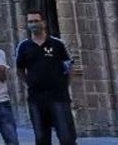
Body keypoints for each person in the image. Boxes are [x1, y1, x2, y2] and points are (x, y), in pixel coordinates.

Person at [15, 12, 76, 145]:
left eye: (36, 21)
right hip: (36, 98)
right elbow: (19, 69)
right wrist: (29, 84)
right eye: (30, 22)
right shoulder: (24, 46)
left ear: (43, 23)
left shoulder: (57, 44)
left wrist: (63, 86)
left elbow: (69, 67)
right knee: (41, 137)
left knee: (66, 136)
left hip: (58, 97)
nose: (33, 24)